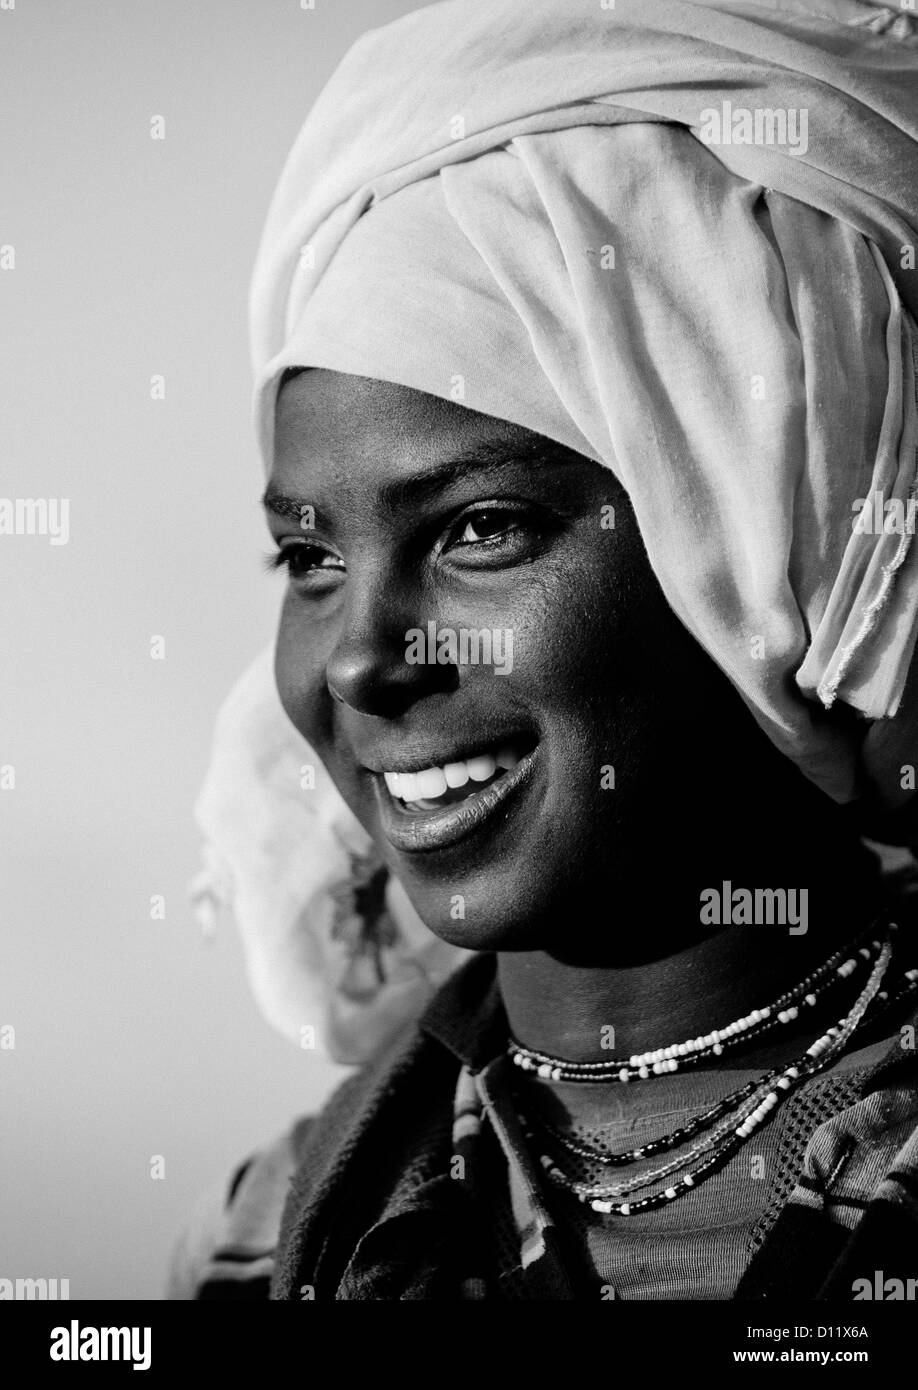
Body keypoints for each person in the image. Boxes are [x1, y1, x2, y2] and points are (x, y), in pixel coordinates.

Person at [170, 0, 918, 1300]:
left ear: (771, 527)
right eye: (309, 558)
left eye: (481, 527)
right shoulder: (290, 1228)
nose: (357, 662)